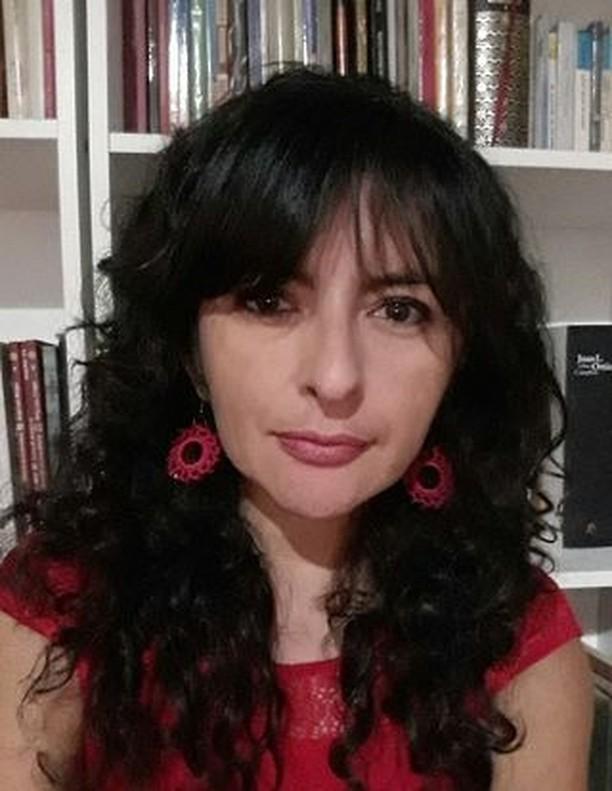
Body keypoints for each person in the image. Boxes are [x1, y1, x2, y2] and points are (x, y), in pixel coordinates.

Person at [0, 68, 592, 790]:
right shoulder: (62, 608)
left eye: (399, 310)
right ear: (190, 351)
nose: (335, 377)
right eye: (268, 300)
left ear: (462, 357)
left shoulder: (520, 641)